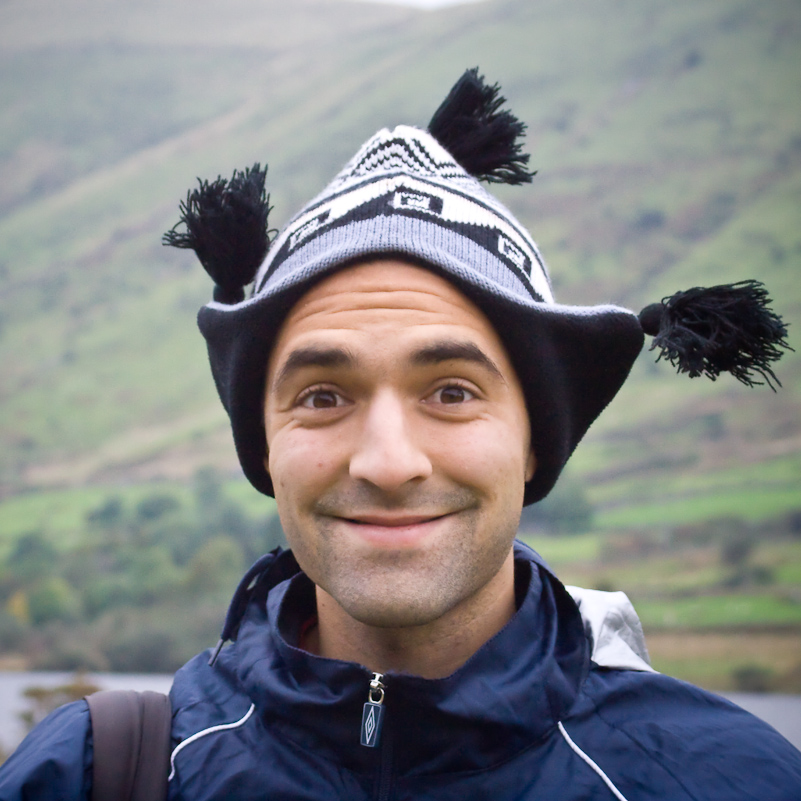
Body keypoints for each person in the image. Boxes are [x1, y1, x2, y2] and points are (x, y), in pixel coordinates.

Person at [1, 68, 799, 801]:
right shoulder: (96, 772)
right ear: (264, 448)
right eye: (321, 395)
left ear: (532, 443)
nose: (386, 461)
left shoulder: (723, 780)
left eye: (451, 391)